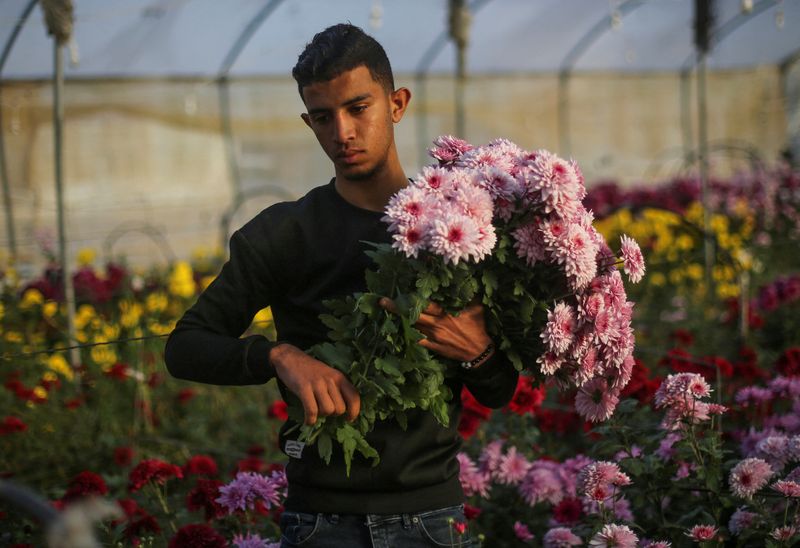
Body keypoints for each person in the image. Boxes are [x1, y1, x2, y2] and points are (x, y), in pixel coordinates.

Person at [165, 23, 518, 547]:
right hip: (320, 524)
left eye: (359, 108)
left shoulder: (459, 226)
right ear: (309, 121)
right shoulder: (283, 234)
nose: (343, 132)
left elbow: (500, 389)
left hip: (429, 520)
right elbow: (185, 346)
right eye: (324, 117)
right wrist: (279, 356)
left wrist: (479, 353)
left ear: (396, 104)